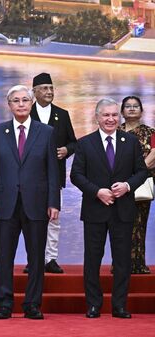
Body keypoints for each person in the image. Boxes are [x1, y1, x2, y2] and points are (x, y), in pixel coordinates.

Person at [0, 85, 59, 320]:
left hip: (37, 203)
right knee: (4, 256)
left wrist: (53, 202)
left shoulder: (46, 132)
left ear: (32, 103)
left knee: (36, 257)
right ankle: (4, 303)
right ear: (9, 105)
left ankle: (32, 304)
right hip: (6, 202)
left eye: (25, 100)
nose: (21, 104)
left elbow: (52, 170)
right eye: (15, 100)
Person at [71, 98, 148, 319]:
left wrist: (127, 186)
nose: (111, 119)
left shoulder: (130, 142)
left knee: (122, 260)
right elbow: (76, 175)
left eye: (115, 115)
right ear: (97, 117)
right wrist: (97, 191)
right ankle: (94, 304)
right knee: (92, 260)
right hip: (95, 210)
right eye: (106, 115)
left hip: (123, 210)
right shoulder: (85, 143)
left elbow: (142, 172)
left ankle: (119, 305)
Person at [27, 72, 77, 274]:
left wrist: (67, 150)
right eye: (45, 88)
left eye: (51, 88)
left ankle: (51, 259)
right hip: (30, 177)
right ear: (35, 92)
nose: (49, 92)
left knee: (54, 218)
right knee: (31, 220)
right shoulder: (26, 114)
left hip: (55, 176)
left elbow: (73, 142)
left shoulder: (62, 114)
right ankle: (33, 260)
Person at [119, 96, 155, 274]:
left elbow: (154, 155)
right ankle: (119, 265)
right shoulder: (115, 131)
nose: (132, 109)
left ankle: (138, 264)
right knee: (119, 225)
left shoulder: (151, 132)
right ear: (122, 111)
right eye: (128, 106)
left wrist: (134, 175)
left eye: (135, 106)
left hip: (141, 184)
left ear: (141, 111)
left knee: (139, 224)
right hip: (117, 187)